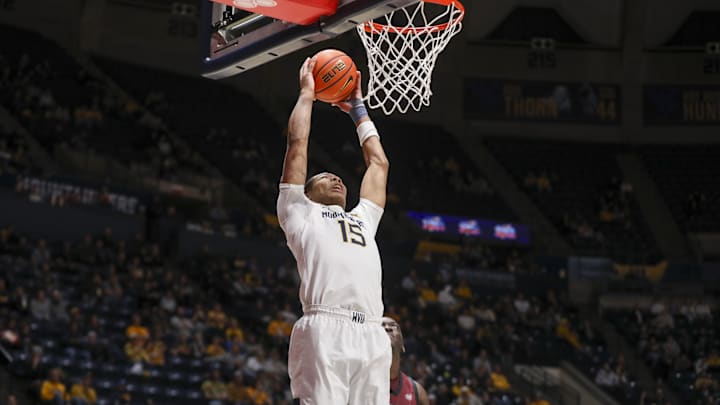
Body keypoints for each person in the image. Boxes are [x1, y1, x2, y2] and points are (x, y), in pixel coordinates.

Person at [277, 56, 391, 404]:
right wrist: (308, 94)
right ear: (307, 192)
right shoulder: (299, 212)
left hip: (373, 331)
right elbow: (297, 146)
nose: (337, 178)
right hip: (325, 327)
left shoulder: (363, 218)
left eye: (338, 176)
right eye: (325, 177)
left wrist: (358, 110)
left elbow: (379, 164)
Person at [382, 317, 429, 405]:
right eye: (381, 326)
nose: (387, 328)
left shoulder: (417, 392)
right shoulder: (358, 383)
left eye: (394, 326)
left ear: (402, 345)